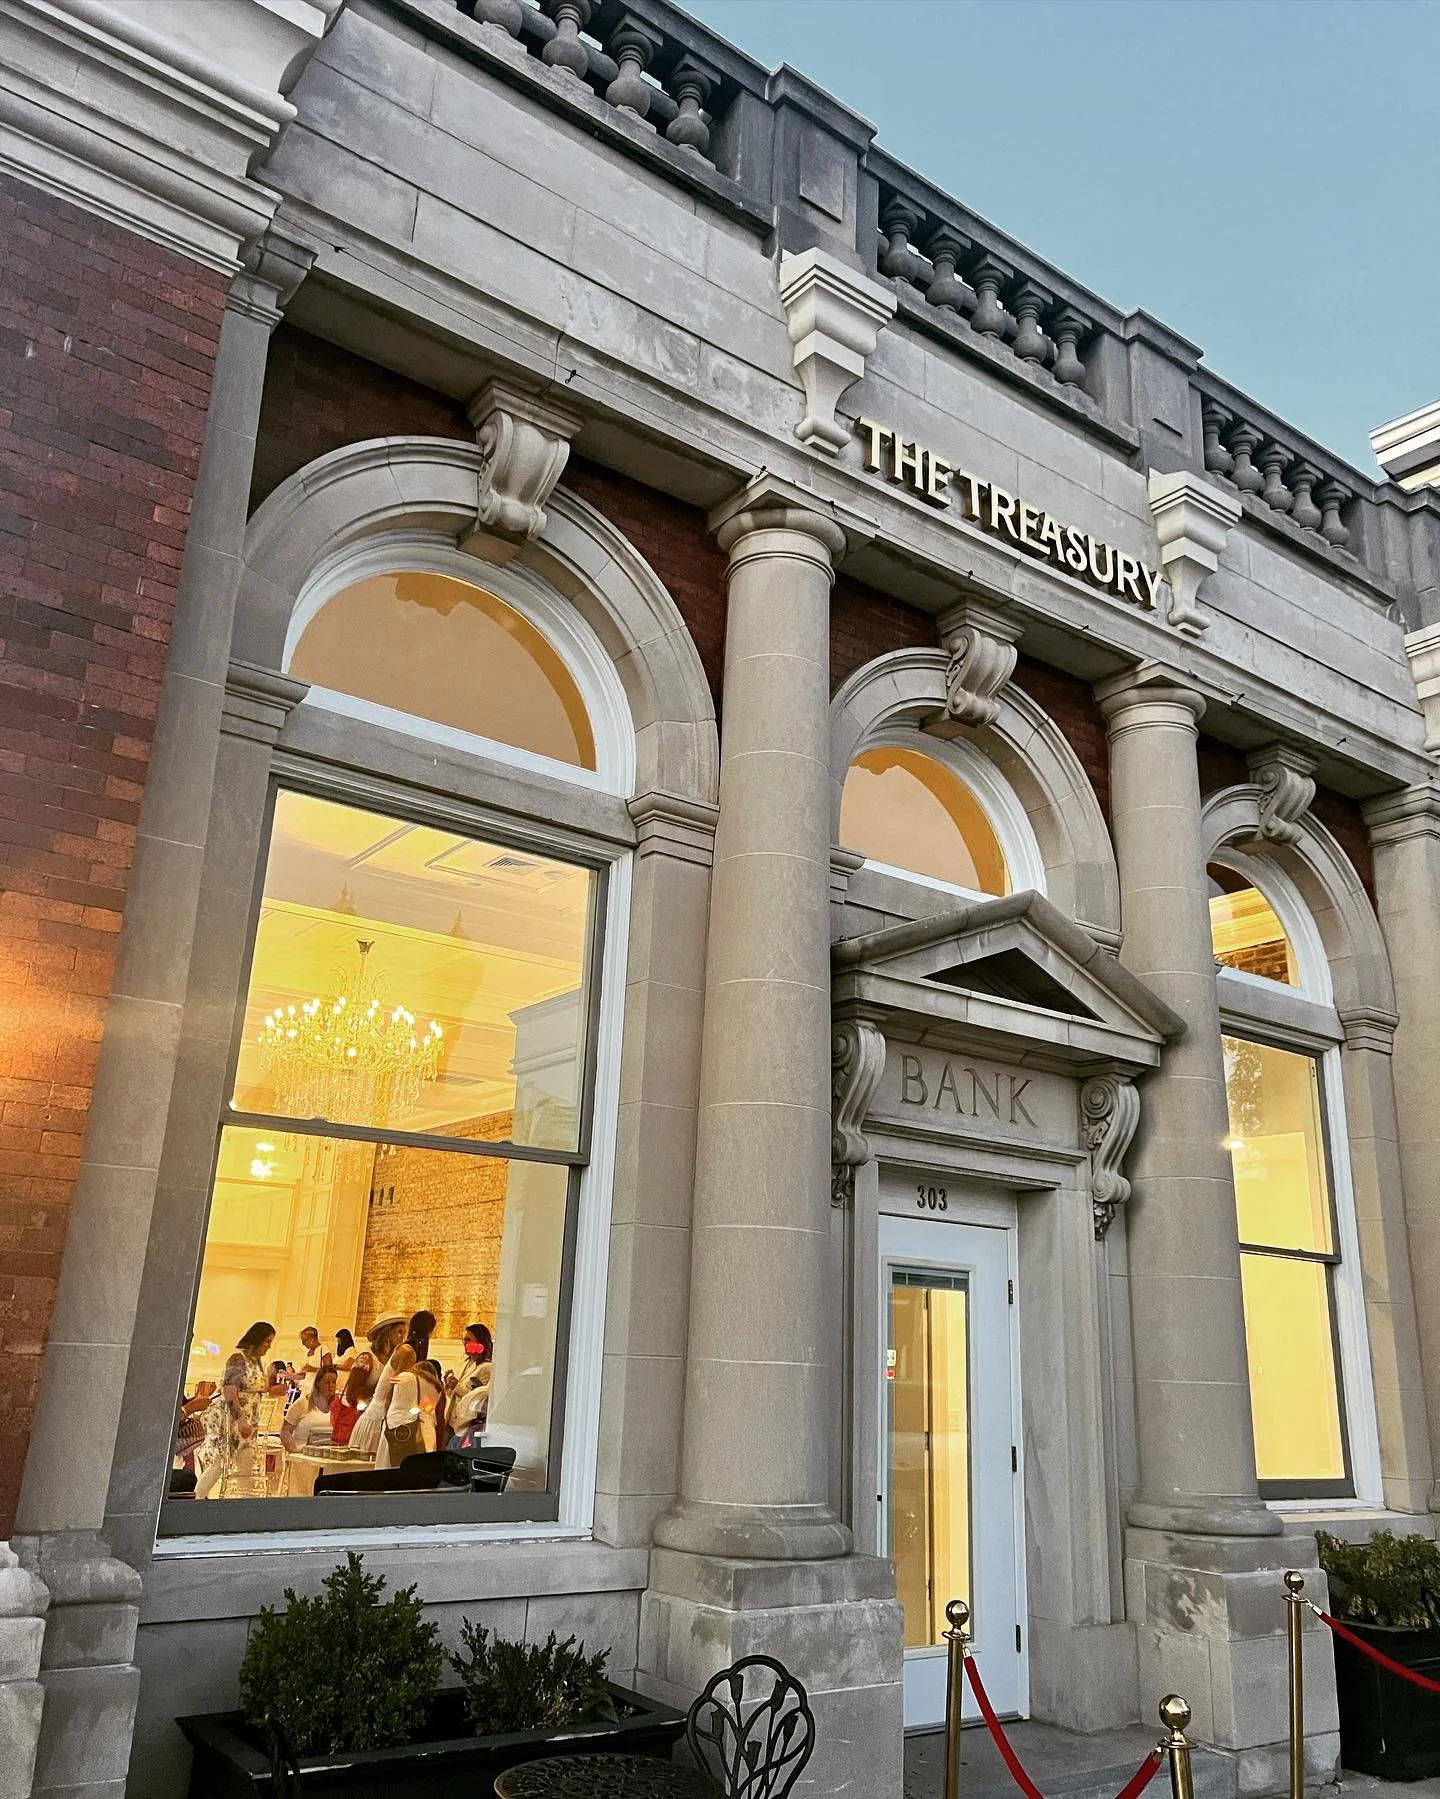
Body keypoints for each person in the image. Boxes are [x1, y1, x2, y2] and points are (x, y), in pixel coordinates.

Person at [195, 1322, 275, 1499]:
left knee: (245, 1462)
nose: (269, 1346)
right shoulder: (238, 1359)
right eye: (267, 1342)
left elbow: (255, 1387)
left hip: (248, 1419)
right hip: (229, 1418)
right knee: (218, 1464)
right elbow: (230, 1390)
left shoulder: (257, 1362)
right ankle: (198, 1498)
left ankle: (244, 1501)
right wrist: (241, 1420)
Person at [343, 1315, 407, 1457]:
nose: (402, 1337)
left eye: (403, 1332)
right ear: (387, 1332)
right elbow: (352, 1392)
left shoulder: (393, 1359)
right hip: (367, 1415)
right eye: (399, 1332)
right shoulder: (367, 1358)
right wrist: (379, 1389)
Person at [376, 1345, 444, 1468]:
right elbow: (430, 1408)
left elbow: (396, 1410)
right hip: (427, 1433)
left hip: (402, 1434)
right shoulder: (432, 1382)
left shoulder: (403, 1378)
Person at [281, 1366, 338, 1454]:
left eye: (333, 1382)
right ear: (318, 1383)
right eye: (326, 1382)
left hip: (329, 1456)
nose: (330, 1386)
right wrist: (294, 1450)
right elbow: (285, 1431)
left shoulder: (339, 1405)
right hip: (303, 1456)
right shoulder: (302, 1403)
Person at [449, 1322, 492, 1435]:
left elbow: (479, 1399)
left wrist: (457, 1387)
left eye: (468, 1340)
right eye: (464, 1340)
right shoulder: (464, 1363)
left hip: (467, 1423)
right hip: (452, 1419)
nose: (465, 1343)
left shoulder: (486, 1368)